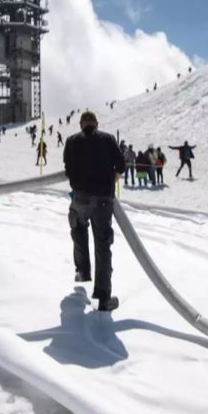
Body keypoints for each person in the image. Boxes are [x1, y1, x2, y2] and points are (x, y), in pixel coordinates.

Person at [63, 111, 125, 311]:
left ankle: (82, 270)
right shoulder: (108, 139)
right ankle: (104, 297)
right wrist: (111, 179)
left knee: (78, 228)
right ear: (96, 124)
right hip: (103, 201)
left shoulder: (72, 141)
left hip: (80, 198)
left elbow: (68, 168)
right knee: (103, 245)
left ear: (81, 124)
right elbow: (121, 165)